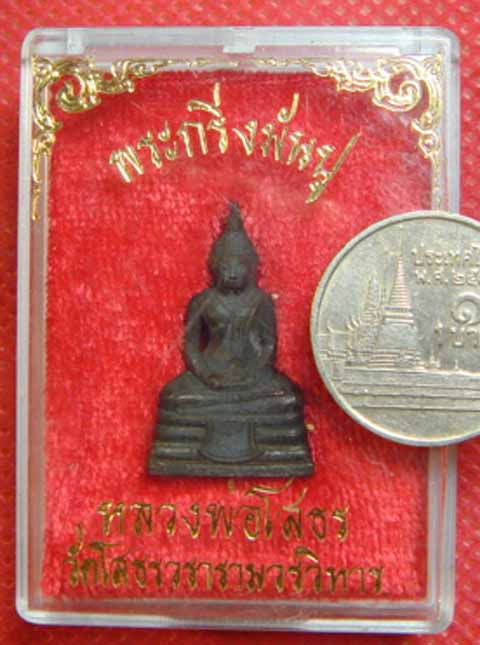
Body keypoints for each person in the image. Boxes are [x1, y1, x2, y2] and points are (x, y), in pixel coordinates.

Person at [148, 201, 313, 477]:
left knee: (287, 399)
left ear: (251, 267)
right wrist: (205, 374)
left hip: (253, 377)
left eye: (239, 265)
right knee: (174, 397)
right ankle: (184, 452)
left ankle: (270, 449)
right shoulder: (203, 301)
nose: (233, 271)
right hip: (210, 376)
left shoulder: (260, 301)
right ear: (215, 267)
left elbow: (269, 344)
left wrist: (255, 373)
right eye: (226, 265)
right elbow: (190, 344)